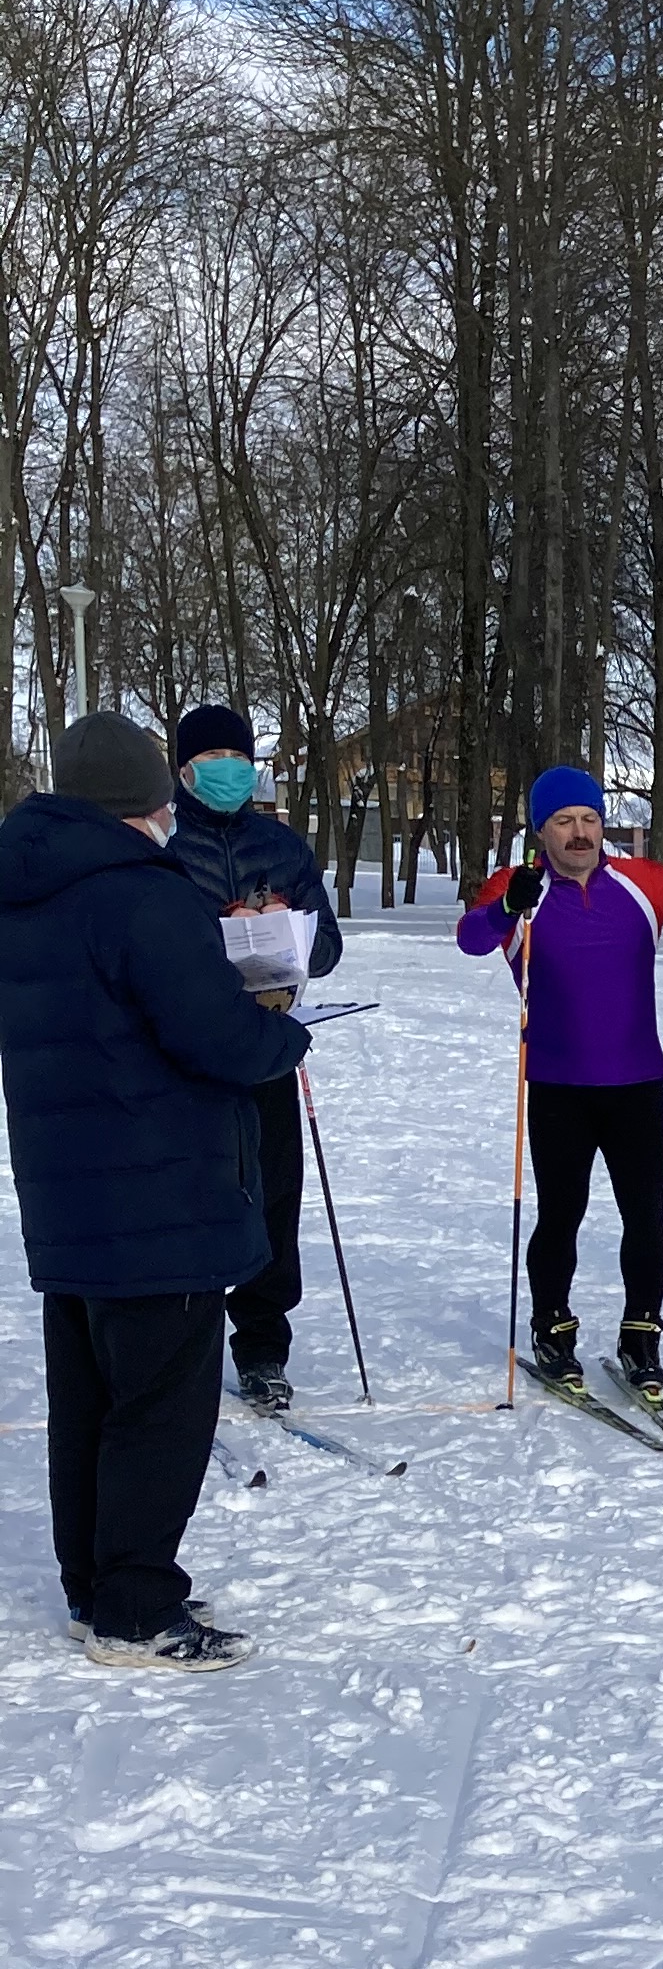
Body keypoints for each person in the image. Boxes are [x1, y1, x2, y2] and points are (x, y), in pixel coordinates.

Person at [0, 710, 309, 1667]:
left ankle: (97, 1585)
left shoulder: (24, 892)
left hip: (69, 1188)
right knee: (163, 1404)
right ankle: (135, 1603)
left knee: (90, 1396)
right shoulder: (143, 896)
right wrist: (282, 1036)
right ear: (146, 801)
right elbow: (212, 1034)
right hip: (160, 1189)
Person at [456, 765, 663, 1395]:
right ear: (541, 830)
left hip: (637, 1081)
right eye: (564, 822)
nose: (579, 833)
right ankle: (551, 1328)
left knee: (646, 1213)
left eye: (588, 819)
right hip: (557, 1086)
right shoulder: (522, 888)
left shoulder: (640, 882)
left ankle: (642, 1335)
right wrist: (507, 905)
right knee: (561, 1214)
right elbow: (472, 939)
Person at [164, 701, 343, 1412]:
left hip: (268, 1044)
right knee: (198, 1194)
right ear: (184, 771)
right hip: (191, 1055)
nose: (230, 775)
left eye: (240, 762)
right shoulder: (164, 848)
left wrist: (285, 933)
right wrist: (218, 933)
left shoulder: (284, 848)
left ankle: (264, 1346)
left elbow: (327, 947)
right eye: (214, 764)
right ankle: (184, 1349)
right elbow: (147, 945)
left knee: (273, 1196)